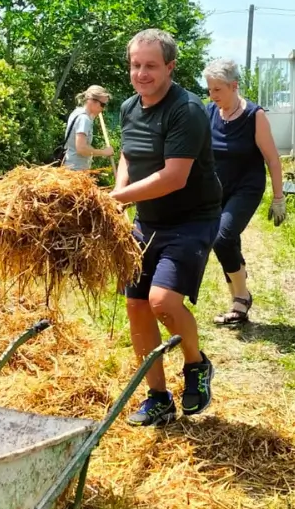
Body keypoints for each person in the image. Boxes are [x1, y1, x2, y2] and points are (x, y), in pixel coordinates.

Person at [110, 29, 221, 427]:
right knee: (136, 305)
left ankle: (196, 364)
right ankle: (157, 397)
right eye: (135, 65)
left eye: (151, 66)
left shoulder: (185, 110)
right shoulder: (128, 107)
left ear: (170, 67)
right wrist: (120, 192)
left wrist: (117, 199)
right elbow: (128, 152)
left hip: (191, 220)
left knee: (162, 301)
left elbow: (174, 176)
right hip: (148, 221)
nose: (141, 73)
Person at [204, 58, 287, 324]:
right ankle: (239, 300)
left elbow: (273, 159)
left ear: (234, 86)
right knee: (226, 241)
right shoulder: (209, 113)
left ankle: (241, 297)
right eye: (209, 89)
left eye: (217, 89)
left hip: (246, 187)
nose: (212, 95)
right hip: (218, 188)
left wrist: (278, 198)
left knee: (222, 237)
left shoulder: (254, 115)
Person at [62, 85, 115, 171]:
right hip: (75, 170)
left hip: (71, 166)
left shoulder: (77, 112)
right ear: (92, 101)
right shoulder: (84, 119)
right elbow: (81, 149)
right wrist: (104, 152)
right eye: (102, 104)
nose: (103, 108)